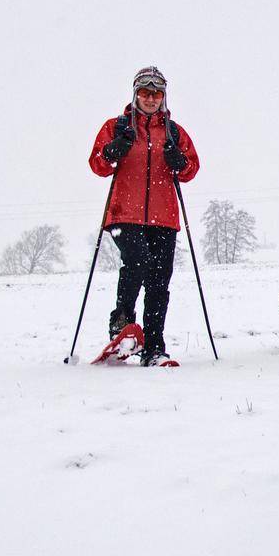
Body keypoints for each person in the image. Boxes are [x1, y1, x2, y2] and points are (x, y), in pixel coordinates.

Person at [88, 66, 200, 366]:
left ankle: (153, 347)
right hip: (125, 212)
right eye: (144, 93)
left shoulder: (174, 132)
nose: (150, 99)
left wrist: (179, 162)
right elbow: (97, 164)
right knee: (137, 262)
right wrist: (113, 151)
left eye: (156, 94)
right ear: (135, 94)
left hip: (164, 217)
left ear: (163, 97)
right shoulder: (118, 127)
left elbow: (191, 169)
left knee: (159, 281)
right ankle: (122, 323)